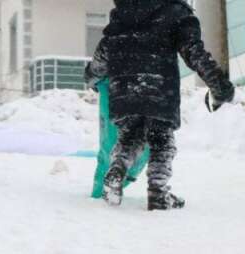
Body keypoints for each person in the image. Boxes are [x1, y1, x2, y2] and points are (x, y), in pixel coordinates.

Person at [85, 0, 234, 211]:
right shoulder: (175, 11)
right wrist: (219, 85)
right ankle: (158, 193)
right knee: (161, 141)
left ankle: (117, 170)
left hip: (124, 90)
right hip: (159, 86)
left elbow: (104, 52)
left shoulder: (123, 12)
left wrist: (91, 76)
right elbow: (194, 52)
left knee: (129, 137)